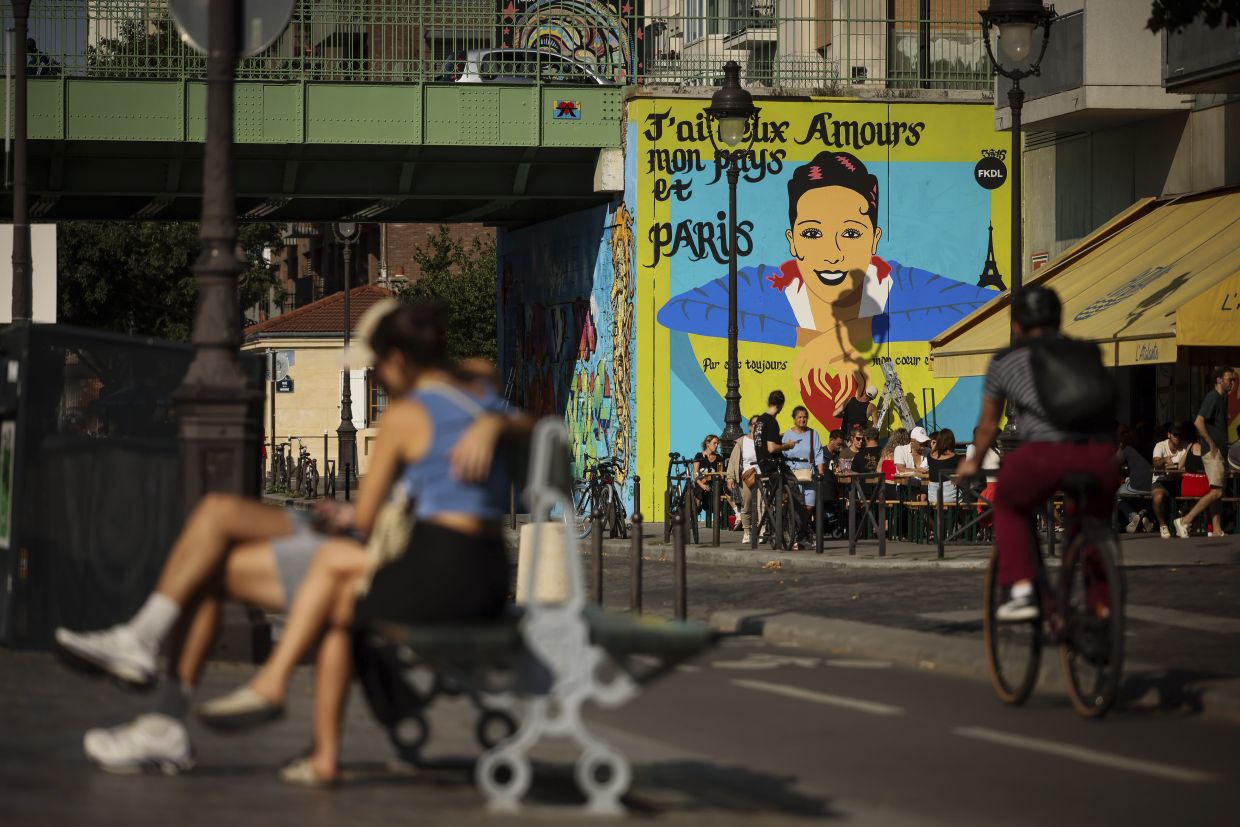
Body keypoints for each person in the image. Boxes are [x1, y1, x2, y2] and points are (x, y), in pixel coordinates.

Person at [56, 302, 526, 784]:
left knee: (215, 566)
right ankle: (156, 651)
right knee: (219, 516)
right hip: (443, 554)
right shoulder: (477, 389)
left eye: (378, 366)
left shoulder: (410, 414)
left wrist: (358, 515)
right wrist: (497, 423)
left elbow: (366, 522)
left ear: (400, 358)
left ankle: (179, 698)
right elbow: (517, 411)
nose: (376, 378)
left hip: (403, 553)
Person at [957, 286, 1119, 621]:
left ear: (1017, 325)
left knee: (1008, 502)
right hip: (1097, 455)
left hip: (1045, 455)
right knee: (1091, 525)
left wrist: (972, 462)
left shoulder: (1005, 360)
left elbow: (988, 428)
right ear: (1059, 320)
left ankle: (1022, 589)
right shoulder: (1087, 351)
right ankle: (1102, 608)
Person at [1174, 366, 1236, 539]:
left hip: (1219, 451)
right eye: (1229, 379)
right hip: (1212, 451)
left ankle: (1216, 529)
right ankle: (1185, 520)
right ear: (1218, 380)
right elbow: (1198, 421)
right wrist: (1211, 443)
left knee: (1217, 491)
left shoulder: (1222, 398)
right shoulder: (1213, 397)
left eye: (1234, 380)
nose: (1232, 382)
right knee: (1216, 492)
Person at [753, 390, 806, 547]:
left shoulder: (760, 421)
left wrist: (779, 437)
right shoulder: (771, 421)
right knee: (796, 496)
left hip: (763, 465)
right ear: (781, 405)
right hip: (774, 465)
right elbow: (771, 447)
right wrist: (786, 445)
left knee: (778, 499)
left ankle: (775, 529)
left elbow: (763, 443)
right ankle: (800, 535)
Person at [783, 405, 826, 542]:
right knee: (796, 505)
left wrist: (821, 473)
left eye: (804, 417)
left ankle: (801, 528)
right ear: (794, 419)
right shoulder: (787, 435)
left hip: (809, 473)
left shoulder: (814, 434)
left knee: (809, 505)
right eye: (800, 417)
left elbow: (819, 454)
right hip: (792, 474)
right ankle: (797, 533)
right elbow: (783, 455)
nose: (803, 420)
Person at [727, 415, 763, 544]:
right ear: (749, 426)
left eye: (759, 425)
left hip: (762, 476)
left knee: (762, 505)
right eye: (754, 424)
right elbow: (733, 461)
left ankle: (762, 529)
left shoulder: (764, 441)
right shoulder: (741, 442)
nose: (756, 427)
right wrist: (730, 478)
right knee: (746, 504)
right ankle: (747, 532)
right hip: (746, 477)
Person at [1151, 421, 1188, 539]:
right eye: (1175, 434)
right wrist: (1165, 460)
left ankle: (1181, 520)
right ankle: (1163, 525)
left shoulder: (1185, 446)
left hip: (1178, 481)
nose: (1178, 437)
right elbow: (1155, 464)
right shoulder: (1160, 445)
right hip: (1162, 480)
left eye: (1180, 434)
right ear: (1169, 435)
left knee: (1197, 494)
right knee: (1158, 497)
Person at [1116, 424, 1155, 534]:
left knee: (1116, 495)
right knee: (1155, 497)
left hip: (1136, 485)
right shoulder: (1145, 448)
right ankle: (1142, 515)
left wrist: (1119, 446)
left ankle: (1133, 516)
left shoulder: (1127, 449)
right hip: (1151, 484)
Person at [692, 434, 733, 518]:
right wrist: (702, 484)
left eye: (717, 443)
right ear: (707, 443)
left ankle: (719, 517)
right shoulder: (699, 456)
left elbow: (721, 475)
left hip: (715, 484)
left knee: (720, 488)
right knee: (699, 489)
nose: (716, 445)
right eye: (714, 443)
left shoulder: (718, 458)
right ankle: (696, 509)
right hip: (701, 483)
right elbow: (695, 474)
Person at [926, 428, 961, 506]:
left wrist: (934, 447)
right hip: (950, 497)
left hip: (933, 497)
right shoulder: (955, 457)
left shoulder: (930, 456)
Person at [894, 425, 931, 497]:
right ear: (912, 441)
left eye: (925, 443)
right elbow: (900, 468)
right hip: (905, 488)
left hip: (925, 488)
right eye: (920, 443)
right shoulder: (900, 449)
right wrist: (917, 471)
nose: (923, 446)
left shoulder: (929, 451)